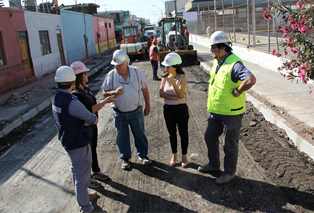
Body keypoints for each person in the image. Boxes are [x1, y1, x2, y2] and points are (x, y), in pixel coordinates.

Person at [198, 31, 256, 184]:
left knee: (230, 144)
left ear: (222, 47)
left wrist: (238, 91)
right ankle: (213, 164)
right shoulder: (218, 61)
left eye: (213, 48)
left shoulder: (234, 64)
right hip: (216, 111)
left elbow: (250, 79)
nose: (211, 51)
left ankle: (229, 172)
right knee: (209, 136)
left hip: (232, 113)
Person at [51, 66, 99, 213]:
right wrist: (87, 121)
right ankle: (85, 206)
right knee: (82, 174)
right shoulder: (72, 101)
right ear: (72, 81)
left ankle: (84, 195)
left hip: (67, 139)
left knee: (77, 170)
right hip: (78, 141)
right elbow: (92, 118)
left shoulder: (56, 98)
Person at [102, 50, 152, 170]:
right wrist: (114, 92)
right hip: (119, 112)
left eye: (119, 65)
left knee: (140, 134)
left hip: (136, 110)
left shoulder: (137, 72)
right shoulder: (111, 75)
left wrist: (148, 105)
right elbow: (104, 93)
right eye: (115, 65)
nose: (117, 67)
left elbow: (145, 89)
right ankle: (125, 159)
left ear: (126, 62)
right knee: (122, 136)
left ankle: (143, 155)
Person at [71, 61, 115, 183]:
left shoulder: (85, 89)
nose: (87, 76)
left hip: (92, 126)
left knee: (93, 149)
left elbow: (93, 103)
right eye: (85, 74)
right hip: (84, 128)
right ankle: (87, 179)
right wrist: (105, 102)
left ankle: (96, 172)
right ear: (79, 77)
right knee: (87, 154)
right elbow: (89, 110)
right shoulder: (76, 94)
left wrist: (106, 98)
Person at [159, 52, 189, 167]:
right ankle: (174, 155)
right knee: (172, 133)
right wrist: (174, 96)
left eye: (167, 66)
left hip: (181, 109)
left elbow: (181, 95)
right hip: (168, 109)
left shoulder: (182, 77)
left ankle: (184, 156)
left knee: (183, 133)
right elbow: (161, 93)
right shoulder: (164, 77)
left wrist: (173, 83)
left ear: (175, 66)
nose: (165, 68)